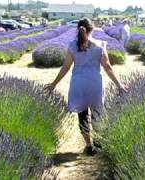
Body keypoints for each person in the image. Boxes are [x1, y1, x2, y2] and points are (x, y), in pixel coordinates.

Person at [44, 18, 128, 156]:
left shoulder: (72, 45)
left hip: (78, 83)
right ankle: (98, 142)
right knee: (97, 114)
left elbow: (65, 67)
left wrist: (53, 84)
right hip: (94, 83)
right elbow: (107, 67)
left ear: (79, 29)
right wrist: (119, 85)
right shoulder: (100, 45)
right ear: (92, 29)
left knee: (82, 115)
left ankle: (89, 146)